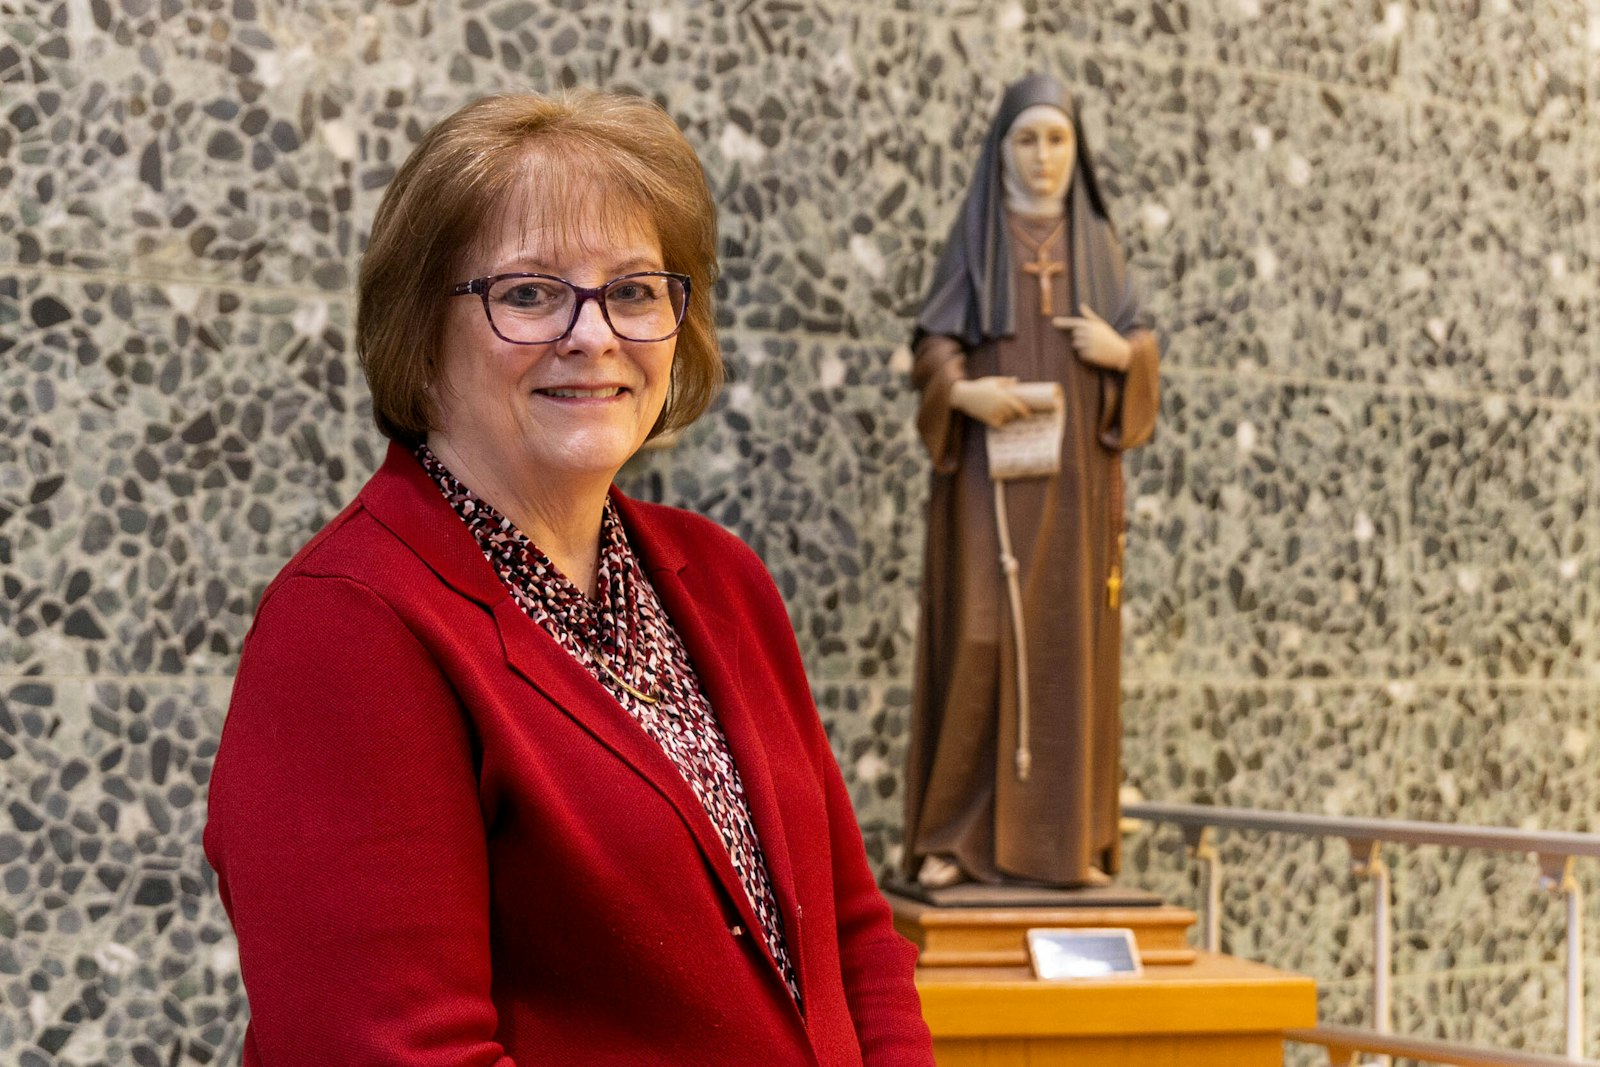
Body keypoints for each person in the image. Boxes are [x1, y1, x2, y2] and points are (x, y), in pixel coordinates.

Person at [204, 90, 933, 1066]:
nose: (592, 334)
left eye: (632, 290)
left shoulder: (721, 577)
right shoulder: (349, 628)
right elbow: (389, 1050)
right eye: (529, 292)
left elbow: (851, 938)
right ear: (422, 333)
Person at [901, 73, 1160, 890]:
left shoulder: (1098, 245)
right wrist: (965, 390)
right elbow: (933, 349)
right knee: (981, 633)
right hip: (989, 482)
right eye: (1027, 139)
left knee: (1065, 645)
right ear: (1001, 149)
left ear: (1075, 152)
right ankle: (949, 836)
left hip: (1075, 487)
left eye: (1057, 140)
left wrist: (1127, 359)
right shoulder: (976, 239)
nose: (1043, 156)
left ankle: (1068, 842)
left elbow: (1141, 343)